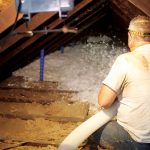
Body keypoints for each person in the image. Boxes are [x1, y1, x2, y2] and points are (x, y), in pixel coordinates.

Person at [90, 15, 150, 150]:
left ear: (130, 35)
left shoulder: (126, 60)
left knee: (92, 130)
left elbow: (104, 102)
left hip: (139, 142)